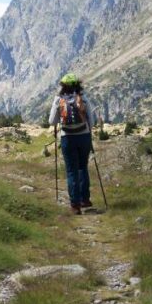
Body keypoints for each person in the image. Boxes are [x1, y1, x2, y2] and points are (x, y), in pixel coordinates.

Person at [49, 73, 98, 215]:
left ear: (63, 86)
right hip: (84, 137)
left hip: (67, 138)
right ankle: (85, 199)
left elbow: (52, 121)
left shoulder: (58, 100)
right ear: (77, 84)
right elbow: (92, 121)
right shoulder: (83, 97)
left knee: (71, 171)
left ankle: (75, 205)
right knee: (83, 167)